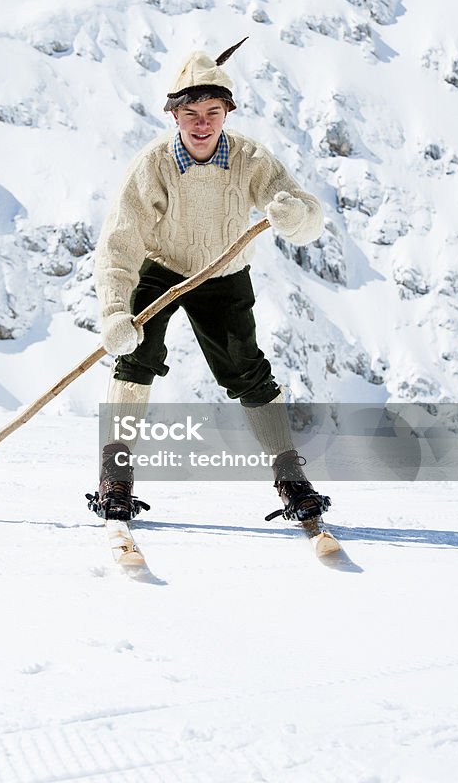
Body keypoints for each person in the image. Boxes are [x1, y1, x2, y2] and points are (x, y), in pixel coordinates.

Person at [86, 38, 331, 524]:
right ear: (174, 116)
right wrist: (116, 311)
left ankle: (290, 477)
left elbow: (309, 215)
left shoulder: (251, 158)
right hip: (162, 268)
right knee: (135, 357)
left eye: (213, 112)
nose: (203, 123)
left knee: (247, 371)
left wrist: (292, 214)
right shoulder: (153, 164)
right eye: (192, 113)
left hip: (224, 273)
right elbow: (120, 242)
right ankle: (115, 478)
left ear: (227, 112)